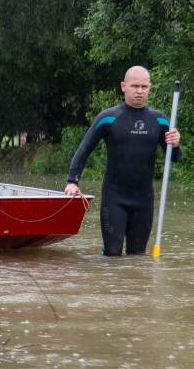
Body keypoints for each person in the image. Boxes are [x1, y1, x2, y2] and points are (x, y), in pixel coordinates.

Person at [65, 65, 182, 256]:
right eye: (135, 86)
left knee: (137, 257)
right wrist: (72, 181)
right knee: (113, 254)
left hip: (144, 200)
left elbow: (175, 158)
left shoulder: (159, 120)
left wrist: (175, 144)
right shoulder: (108, 118)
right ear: (123, 86)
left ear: (149, 88)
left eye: (144, 87)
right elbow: (84, 149)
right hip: (114, 198)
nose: (139, 91)